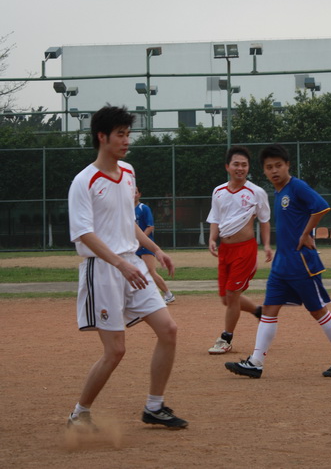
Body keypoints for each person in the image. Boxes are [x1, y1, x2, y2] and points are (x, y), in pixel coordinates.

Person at [67, 105, 187, 431]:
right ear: (102, 137)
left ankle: (154, 407)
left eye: (128, 134)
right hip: (103, 269)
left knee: (169, 330)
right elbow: (84, 233)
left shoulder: (128, 172)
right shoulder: (84, 181)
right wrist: (119, 263)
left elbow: (128, 223)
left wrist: (156, 250)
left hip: (132, 264)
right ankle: (79, 413)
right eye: (120, 134)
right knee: (115, 351)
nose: (126, 140)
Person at [225, 143, 331, 379]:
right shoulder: (278, 192)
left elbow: (321, 207)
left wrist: (306, 234)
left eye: (278, 165)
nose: (274, 171)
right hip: (281, 264)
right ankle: (255, 363)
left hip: (301, 263)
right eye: (269, 167)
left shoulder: (297, 187)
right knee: (269, 311)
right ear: (264, 170)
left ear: (287, 166)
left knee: (318, 311)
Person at [207, 145, 272, 354]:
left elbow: (264, 221)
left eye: (244, 165)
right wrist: (212, 238)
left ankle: (226, 338)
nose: (240, 168)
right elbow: (215, 218)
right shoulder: (218, 191)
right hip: (225, 250)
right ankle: (259, 311)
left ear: (248, 168)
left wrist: (267, 245)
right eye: (236, 164)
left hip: (245, 250)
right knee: (226, 298)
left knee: (232, 295)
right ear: (227, 166)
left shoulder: (256, 192)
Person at [135, 186, 175, 304]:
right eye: (131, 192)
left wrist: (141, 241)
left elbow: (150, 227)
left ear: (140, 194)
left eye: (135, 192)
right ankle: (141, 297)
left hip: (145, 245)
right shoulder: (127, 210)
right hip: (133, 246)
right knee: (135, 272)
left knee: (150, 271)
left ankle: (168, 294)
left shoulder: (143, 208)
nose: (133, 194)